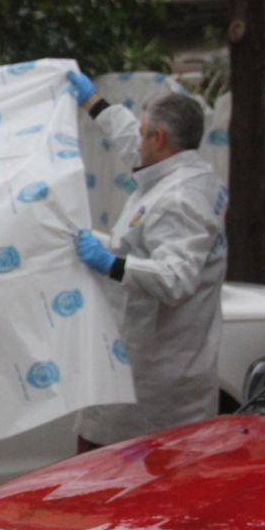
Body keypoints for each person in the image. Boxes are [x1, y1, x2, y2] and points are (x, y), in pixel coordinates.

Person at [67, 70, 227, 450]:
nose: (136, 141)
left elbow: (177, 279)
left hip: (152, 387)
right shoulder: (184, 175)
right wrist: (94, 103)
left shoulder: (179, 199)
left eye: (143, 133)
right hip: (148, 371)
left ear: (159, 139)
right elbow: (131, 142)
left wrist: (113, 264)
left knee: (105, 477)